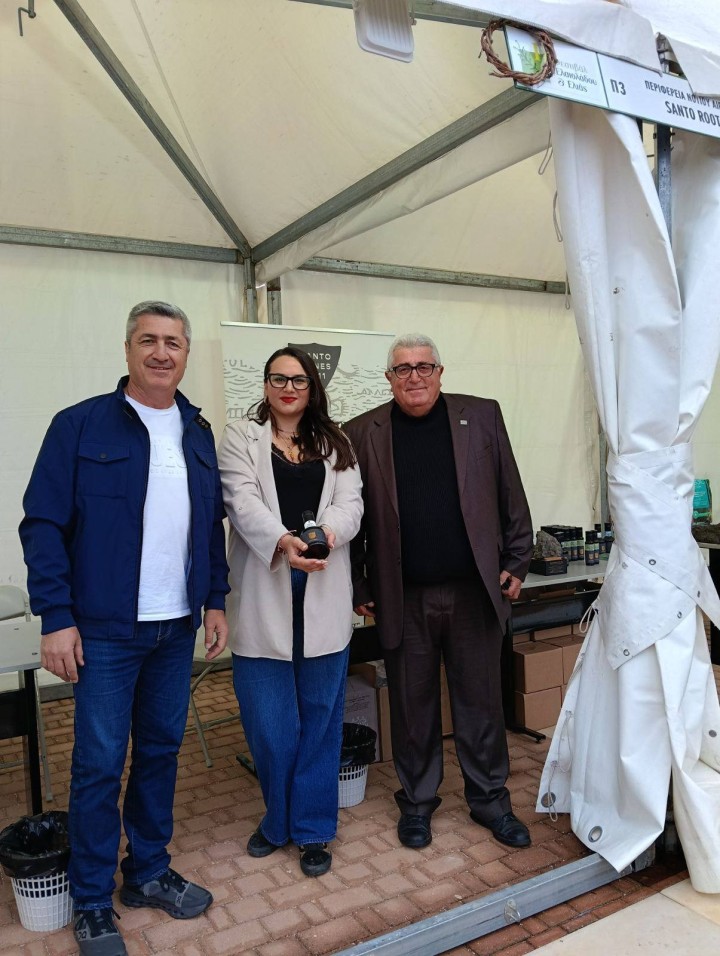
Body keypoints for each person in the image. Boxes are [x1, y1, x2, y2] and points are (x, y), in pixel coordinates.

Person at [19, 302, 230, 956]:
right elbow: (42, 524)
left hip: (175, 626)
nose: (161, 352)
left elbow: (210, 526)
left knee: (161, 751)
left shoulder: (197, 432)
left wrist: (215, 600)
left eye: (173, 342)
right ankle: (90, 900)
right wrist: (56, 616)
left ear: (186, 353)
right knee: (99, 765)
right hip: (105, 631)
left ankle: (146, 872)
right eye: (148, 340)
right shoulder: (80, 425)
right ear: (128, 348)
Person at [344, 333, 533, 851]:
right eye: (403, 369)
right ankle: (417, 803)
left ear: (440, 372)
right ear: (389, 379)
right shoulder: (361, 432)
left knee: (481, 704)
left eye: (423, 366)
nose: (414, 377)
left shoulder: (482, 416)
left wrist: (518, 559)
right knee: (412, 707)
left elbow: (510, 491)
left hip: (474, 592)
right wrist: (359, 581)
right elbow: (352, 516)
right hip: (403, 597)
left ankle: (490, 801)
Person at [218, 347, 362, 877]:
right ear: (265, 385)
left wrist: (325, 535)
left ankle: (314, 828)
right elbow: (240, 501)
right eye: (278, 378)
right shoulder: (240, 437)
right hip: (265, 584)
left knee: (321, 720)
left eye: (298, 380)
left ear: (312, 387)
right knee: (270, 724)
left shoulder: (337, 442)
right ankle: (277, 821)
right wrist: (284, 541)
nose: (288, 388)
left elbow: (351, 504)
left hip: (323, 585)